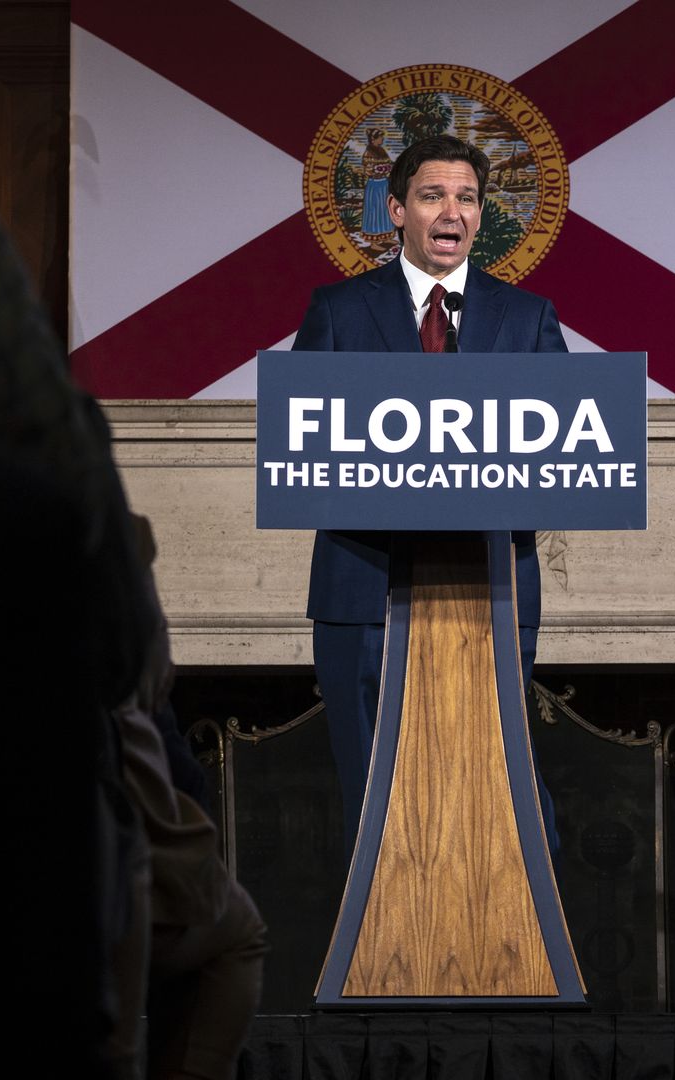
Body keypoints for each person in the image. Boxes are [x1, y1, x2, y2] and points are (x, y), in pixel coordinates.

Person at [291, 133, 567, 855]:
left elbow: (564, 464)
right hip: (364, 596)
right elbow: (300, 453)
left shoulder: (529, 318)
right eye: (433, 195)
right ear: (397, 211)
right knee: (376, 824)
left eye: (468, 197)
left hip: (492, 596)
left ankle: (513, 962)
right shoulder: (338, 311)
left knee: (498, 818)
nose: (453, 211)